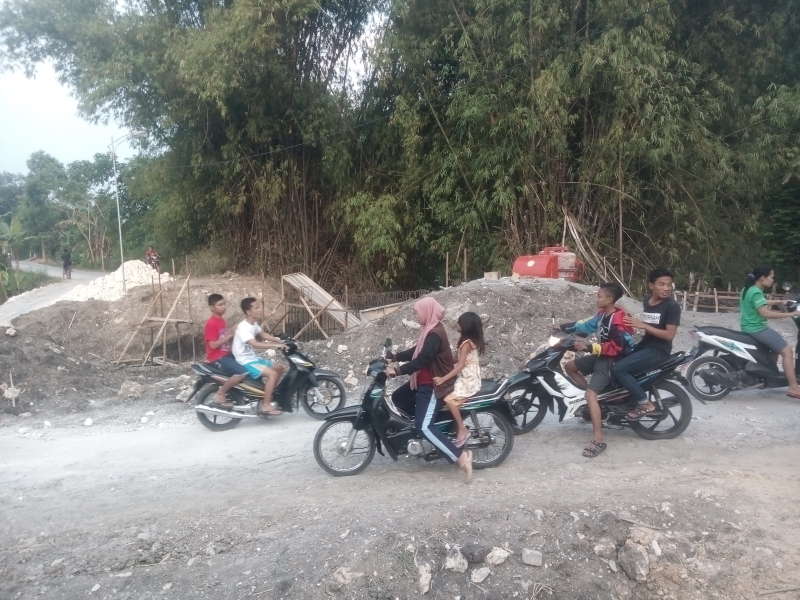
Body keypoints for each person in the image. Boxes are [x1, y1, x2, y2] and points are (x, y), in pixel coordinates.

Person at [386, 297, 473, 480]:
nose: (416, 316)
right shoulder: (429, 330)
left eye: (417, 312)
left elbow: (422, 359)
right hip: (422, 382)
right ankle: (423, 432)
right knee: (398, 398)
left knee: (423, 426)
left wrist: (398, 370)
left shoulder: (435, 334)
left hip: (434, 385)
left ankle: (460, 456)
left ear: (427, 312)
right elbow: (416, 351)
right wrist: (394, 357)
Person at [562, 282, 635, 458]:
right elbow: (585, 325)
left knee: (591, 395)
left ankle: (599, 439)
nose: (597, 298)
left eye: (600, 295)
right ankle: (593, 402)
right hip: (602, 354)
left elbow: (617, 347)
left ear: (610, 299)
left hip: (613, 359)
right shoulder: (602, 314)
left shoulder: (618, 319)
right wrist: (564, 328)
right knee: (569, 366)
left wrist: (589, 347)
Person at [613, 268, 681, 420]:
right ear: (651, 286)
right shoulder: (647, 301)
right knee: (613, 359)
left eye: (669, 285)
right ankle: (621, 400)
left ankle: (645, 404)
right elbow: (650, 322)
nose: (666, 288)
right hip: (645, 345)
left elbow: (669, 335)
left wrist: (643, 326)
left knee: (620, 369)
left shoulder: (672, 306)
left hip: (659, 350)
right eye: (661, 284)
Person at [739, 266, 800, 399]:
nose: (773, 279)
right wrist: (791, 313)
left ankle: (767, 377)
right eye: (771, 277)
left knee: (775, 349)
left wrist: (780, 301)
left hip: (748, 327)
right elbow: (765, 312)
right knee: (787, 351)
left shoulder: (748, 289)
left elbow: (761, 302)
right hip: (757, 328)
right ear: (762, 278)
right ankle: (794, 387)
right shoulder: (756, 291)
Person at [432, 312, 485, 447]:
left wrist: (443, 379)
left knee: (449, 400)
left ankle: (462, 429)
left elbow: (460, 365)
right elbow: (457, 359)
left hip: (468, 379)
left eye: (459, 322)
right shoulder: (468, 341)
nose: (457, 324)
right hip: (468, 376)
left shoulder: (466, 343)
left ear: (466, 326)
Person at [232, 297, 287, 416]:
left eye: (259, 307)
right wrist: (275, 346)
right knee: (272, 374)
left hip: (253, 358)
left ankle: (269, 394)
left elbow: (262, 334)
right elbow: (255, 344)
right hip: (245, 361)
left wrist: (278, 339)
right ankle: (265, 405)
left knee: (280, 368)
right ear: (248, 312)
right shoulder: (243, 327)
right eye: (256, 308)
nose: (260, 309)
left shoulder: (253, 324)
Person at [204, 293, 248, 408]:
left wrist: (234, 331)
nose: (223, 307)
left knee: (249, 365)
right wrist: (227, 337)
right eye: (220, 305)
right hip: (218, 358)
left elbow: (225, 336)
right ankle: (220, 393)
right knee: (241, 372)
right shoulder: (211, 323)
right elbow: (212, 345)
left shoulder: (221, 320)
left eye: (224, 304)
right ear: (212, 307)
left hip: (227, 355)